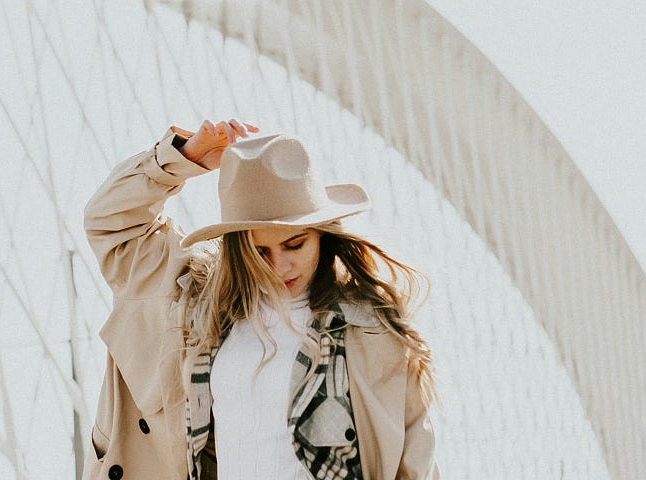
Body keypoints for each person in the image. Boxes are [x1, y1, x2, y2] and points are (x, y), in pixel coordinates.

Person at [83, 119, 438, 480]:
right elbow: (110, 223)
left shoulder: (372, 334)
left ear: (321, 235)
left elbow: (414, 466)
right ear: (239, 248)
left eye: (295, 244)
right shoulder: (195, 305)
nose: (279, 265)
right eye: (260, 250)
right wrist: (183, 159)